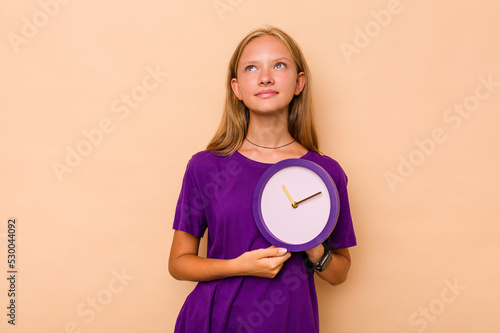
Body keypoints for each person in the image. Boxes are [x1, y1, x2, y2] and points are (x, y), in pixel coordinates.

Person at [168, 26, 356, 333]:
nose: (265, 77)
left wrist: (314, 248)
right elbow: (178, 263)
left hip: (290, 322)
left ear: (299, 82)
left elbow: (340, 273)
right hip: (215, 320)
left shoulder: (325, 173)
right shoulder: (205, 166)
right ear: (237, 88)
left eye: (279, 65)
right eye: (251, 68)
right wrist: (239, 266)